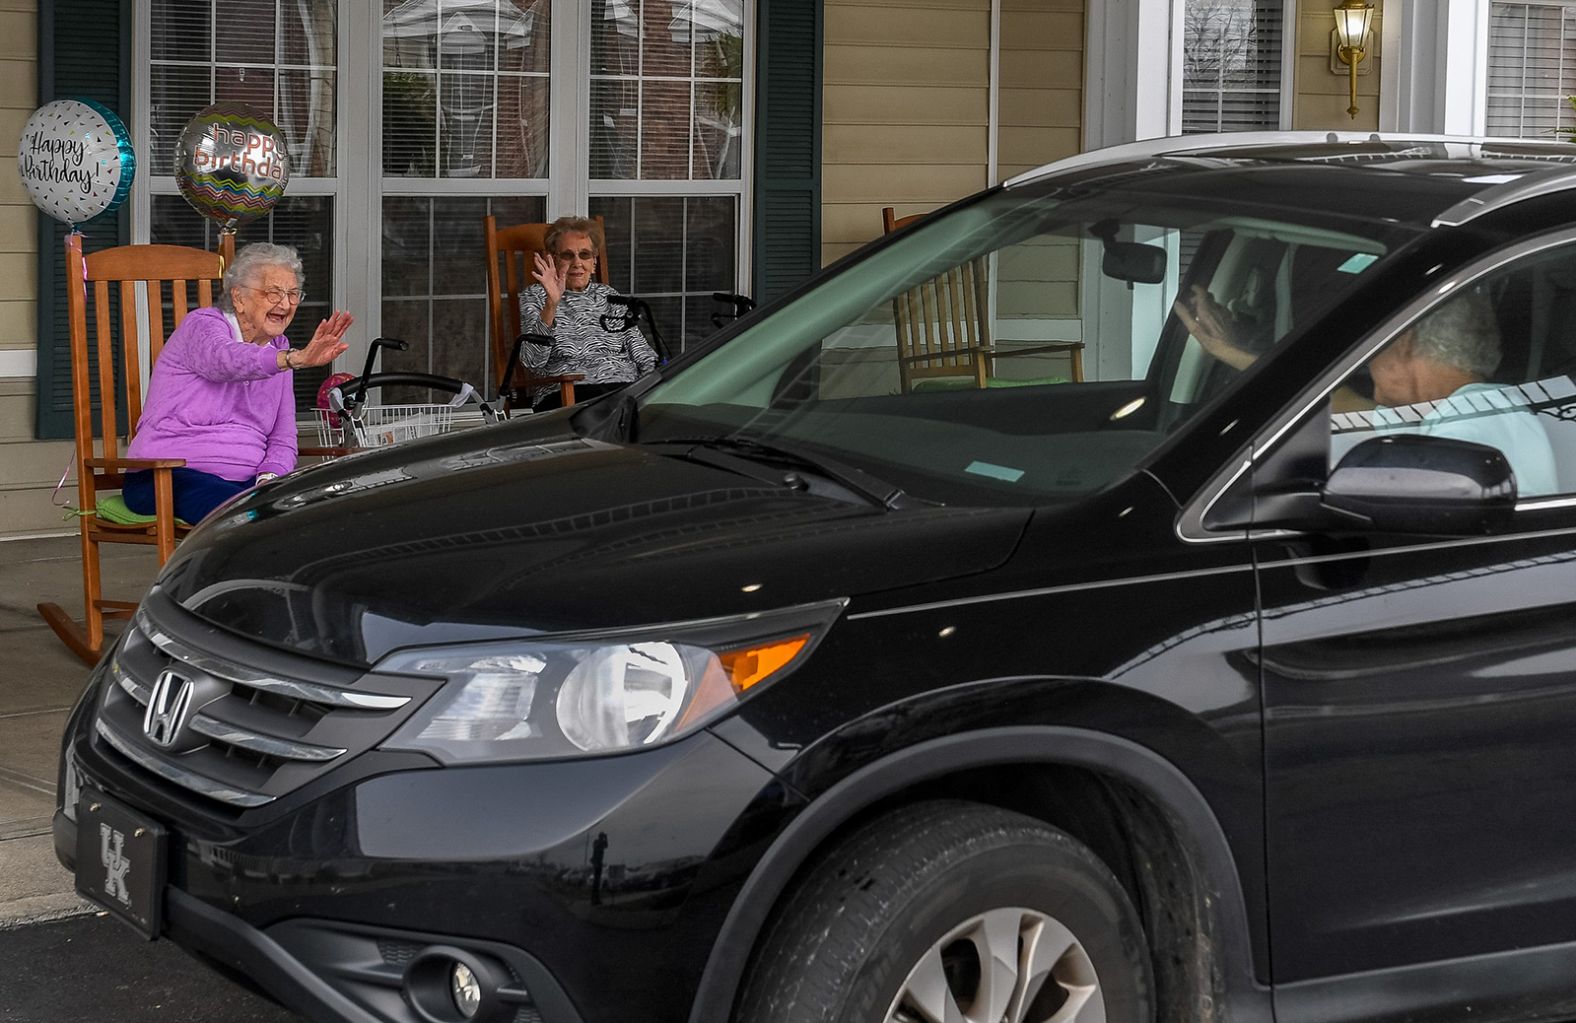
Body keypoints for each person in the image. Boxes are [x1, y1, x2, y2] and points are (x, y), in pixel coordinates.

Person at [1176, 284, 1558, 496]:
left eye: (1369, 352)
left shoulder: (1471, 433)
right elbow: (1340, 403)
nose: (1365, 368)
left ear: (1402, 341)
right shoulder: (1461, 409)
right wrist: (1233, 351)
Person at [123, 242, 352, 523]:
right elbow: (224, 360)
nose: (285, 304)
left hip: (247, 485)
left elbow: (282, 436)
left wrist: (269, 478)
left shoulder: (280, 348)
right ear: (239, 298)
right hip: (167, 475)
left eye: (293, 294)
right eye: (273, 293)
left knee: (324, 509)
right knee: (249, 518)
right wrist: (290, 360)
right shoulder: (202, 326)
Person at [519, 216, 657, 410]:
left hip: (622, 390)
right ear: (553, 258)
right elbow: (532, 361)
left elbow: (642, 353)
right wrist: (552, 303)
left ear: (594, 262)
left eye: (584, 255)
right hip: (569, 394)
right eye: (567, 255)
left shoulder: (609, 296)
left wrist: (656, 388)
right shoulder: (536, 296)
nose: (577, 263)